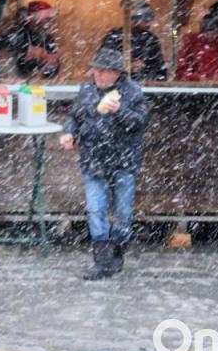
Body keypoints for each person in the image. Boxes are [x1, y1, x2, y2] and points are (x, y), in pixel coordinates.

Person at [59, 47, 150, 280]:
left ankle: (117, 252)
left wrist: (120, 111)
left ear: (116, 73)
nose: (97, 75)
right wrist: (69, 133)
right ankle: (101, 260)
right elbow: (74, 116)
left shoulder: (132, 92)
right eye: (96, 70)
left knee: (123, 212)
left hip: (123, 160)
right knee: (95, 209)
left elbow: (140, 122)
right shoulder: (87, 90)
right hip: (93, 159)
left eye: (103, 71)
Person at [99, 1, 167, 81]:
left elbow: (160, 71)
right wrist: (127, 66)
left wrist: (144, 68)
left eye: (149, 18)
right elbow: (103, 65)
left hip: (143, 85)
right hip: (119, 85)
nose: (149, 23)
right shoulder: (114, 37)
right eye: (146, 19)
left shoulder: (151, 40)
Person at [0, 0, 60, 80]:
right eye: (47, 19)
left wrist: (49, 63)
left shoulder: (48, 38)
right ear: (34, 18)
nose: (50, 23)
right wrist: (36, 54)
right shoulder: (17, 31)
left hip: (34, 83)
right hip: (9, 81)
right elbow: (5, 55)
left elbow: (51, 72)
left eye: (51, 19)